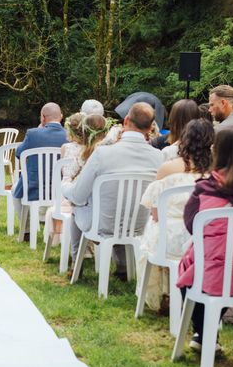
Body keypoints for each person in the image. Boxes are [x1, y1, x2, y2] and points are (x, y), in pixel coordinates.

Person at [63, 102, 164, 276]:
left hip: (102, 224)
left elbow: (78, 195)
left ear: (126, 121)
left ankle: (76, 266)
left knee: (76, 207)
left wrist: (65, 184)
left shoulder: (102, 153)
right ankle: (123, 267)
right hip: (140, 224)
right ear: (150, 129)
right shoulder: (159, 157)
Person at [137, 119, 214, 311]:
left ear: (184, 139)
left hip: (169, 240)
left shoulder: (168, 168)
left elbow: (155, 213)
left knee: (153, 227)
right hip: (205, 242)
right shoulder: (217, 172)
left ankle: (165, 294)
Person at [177, 129, 233, 352]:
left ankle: (202, 332)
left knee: (190, 267)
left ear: (216, 153)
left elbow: (192, 225)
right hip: (231, 273)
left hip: (209, 272)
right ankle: (203, 335)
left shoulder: (205, 189)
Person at [44, 113, 110, 245]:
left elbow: (71, 183)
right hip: (98, 202)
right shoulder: (96, 150)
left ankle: (75, 255)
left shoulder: (69, 149)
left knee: (70, 206)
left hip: (70, 195)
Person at [11, 102, 67, 237]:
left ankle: (27, 230)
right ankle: (56, 230)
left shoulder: (33, 133)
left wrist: (38, 128)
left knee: (15, 193)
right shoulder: (69, 135)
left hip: (34, 188)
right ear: (61, 117)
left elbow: (19, 154)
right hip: (61, 190)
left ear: (42, 117)